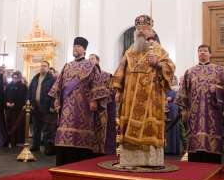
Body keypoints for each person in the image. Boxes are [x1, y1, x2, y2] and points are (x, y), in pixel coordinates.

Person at [112, 15, 176, 167]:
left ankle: (150, 161)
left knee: (149, 128)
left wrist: (158, 65)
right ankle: (130, 161)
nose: (141, 31)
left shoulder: (158, 50)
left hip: (151, 98)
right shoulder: (130, 51)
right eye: (138, 29)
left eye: (145, 29)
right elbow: (121, 69)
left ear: (151, 32)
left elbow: (170, 67)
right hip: (130, 96)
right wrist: (118, 90)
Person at [49, 37, 109, 165]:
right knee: (64, 131)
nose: (75, 48)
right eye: (74, 46)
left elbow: (96, 83)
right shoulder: (67, 66)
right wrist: (56, 99)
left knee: (82, 130)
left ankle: (81, 163)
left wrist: (94, 100)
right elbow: (59, 84)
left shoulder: (90, 66)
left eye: (78, 46)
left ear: (84, 49)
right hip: (66, 107)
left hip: (84, 108)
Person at [176, 44, 224, 164]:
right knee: (194, 147)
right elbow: (183, 93)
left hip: (213, 113)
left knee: (212, 140)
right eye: (200, 51)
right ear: (197, 53)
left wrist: (218, 89)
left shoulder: (219, 71)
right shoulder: (190, 72)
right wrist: (184, 110)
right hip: (194, 114)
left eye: (205, 51)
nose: (202, 53)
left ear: (210, 54)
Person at [28, 61, 57, 154]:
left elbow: (54, 93)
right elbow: (30, 90)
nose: (42, 67)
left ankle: (47, 147)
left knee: (47, 129)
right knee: (36, 127)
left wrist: (52, 105)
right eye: (41, 66)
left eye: (44, 66)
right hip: (36, 106)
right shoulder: (35, 78)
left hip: (47, 106)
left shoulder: (51, 79)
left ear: (48, 68)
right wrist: (29, 102)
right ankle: (35, 145)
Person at [5, 71, 28, 148]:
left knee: (18, 126)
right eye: (13, 77)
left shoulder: (23, 86)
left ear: (19, 77)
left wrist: (15, 104)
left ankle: (18, 142)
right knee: (9, 125)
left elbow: (23, 98)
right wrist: (6, 102)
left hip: (18, 110)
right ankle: (9, 141)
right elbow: (5, 95)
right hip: (9, 109)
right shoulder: (9, 85)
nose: (14, 79)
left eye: (16, 77)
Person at [164, 76, 182, 156]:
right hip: (166, 109)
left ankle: (173, 149)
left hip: (173, 110)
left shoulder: (176, 90)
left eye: (173, 80)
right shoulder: (165, 89)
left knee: (173, 128)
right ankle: (167, 149)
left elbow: (176, 99)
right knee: (166, 129)